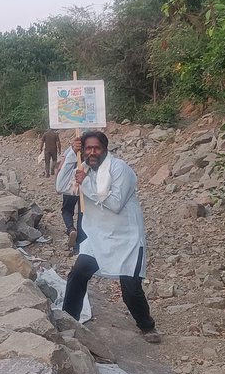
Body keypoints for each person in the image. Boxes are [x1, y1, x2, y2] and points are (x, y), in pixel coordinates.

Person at [64, 130, 159, 343]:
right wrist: (72, 155)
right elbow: (61, 186)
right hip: (98, 238)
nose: (92, 152)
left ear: (105, 149)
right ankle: (68, 321)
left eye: (96, 148)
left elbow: (115, 203)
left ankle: (147, 326)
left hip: (126, 239)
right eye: (87, 148)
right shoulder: (84, 168)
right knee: (78, 274)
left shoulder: (120, 169)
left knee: (131, 290)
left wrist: (85, 183)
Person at [55, 132, 84, 254]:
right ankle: (80, 246)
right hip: (84, 187)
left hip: (70, 185)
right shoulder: (93, 155)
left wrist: (57, 176)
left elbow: (61, 165)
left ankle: (70, 229)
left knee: (67, 210)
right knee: (83, 215)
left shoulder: (70, 151)